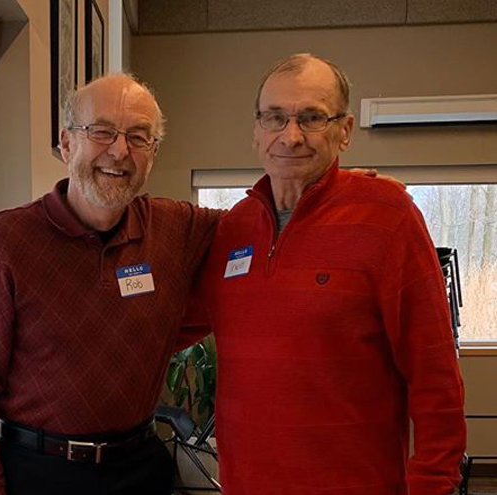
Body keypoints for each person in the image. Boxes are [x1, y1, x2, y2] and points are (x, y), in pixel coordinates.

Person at [185, 53, 467, 495]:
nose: (291, 136)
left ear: (345, 131)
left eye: (312, 118)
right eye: (275, 118)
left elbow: (434, 375)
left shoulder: (389, 217)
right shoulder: (232, 229)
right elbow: (164, 326)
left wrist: (432, 484)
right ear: (256, 131)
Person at [0, 73, 221, 495]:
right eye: (101, 132)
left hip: (140, 469)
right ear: (67, 143)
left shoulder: (177, 228)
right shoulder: (6, 241)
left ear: (153, 153)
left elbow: (262, 229)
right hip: (38, 474)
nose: (119, 150)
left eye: (138, 136)